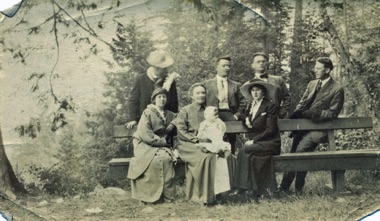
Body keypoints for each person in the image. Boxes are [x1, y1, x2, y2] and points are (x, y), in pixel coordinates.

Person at [279, 57, 345, 193]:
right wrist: (297, 118)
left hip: (319, 129)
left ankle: (297, 188)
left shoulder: (337, 89)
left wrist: (313, 114)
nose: (314, 70)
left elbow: (332, 114)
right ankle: (284, 188)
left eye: (318, 68)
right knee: (293, 154)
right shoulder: (312, 84)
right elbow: (301, 103)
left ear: (327, 70)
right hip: (303, 126)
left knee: (300, 152)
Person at [177, 83, 234, 205]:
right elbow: (181, 131)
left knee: (219, 156)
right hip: (188, 144)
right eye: (197, 93)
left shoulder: (209, 111)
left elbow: (219, 128)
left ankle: (219, 193)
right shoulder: (185, 110)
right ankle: (204, 196)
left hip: (208, 143)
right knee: (207, 157)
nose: (201, 95)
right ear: (192, 96)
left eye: (203, 92)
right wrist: (197, 140)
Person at [233, 79, 281, 202]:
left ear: (263, 92)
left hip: (270, 142)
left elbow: (271, 129)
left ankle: (241, 187)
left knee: (245, 150)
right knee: (249, 155)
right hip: (259, 143)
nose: (255, 92)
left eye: (258, 90)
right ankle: (247, 188)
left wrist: (254, 140)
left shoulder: (270, 106)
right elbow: (246, 118)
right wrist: (246, 120)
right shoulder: (250, 105)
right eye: (253, 90)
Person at [127, 88, 177, 203]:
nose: (162, 99)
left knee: (166, 159)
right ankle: (148, 195)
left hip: (158, 144)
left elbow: (180, 116)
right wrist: (163, 142)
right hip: (144, 143)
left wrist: (173, 122)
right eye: (159, 97)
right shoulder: (147, 112)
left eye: (164, 97)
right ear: (154, 100)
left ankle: (166, 195)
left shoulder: (168, 114)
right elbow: (145, 133)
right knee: (153, 161)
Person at [125, 50, 179, 129]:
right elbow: (133, 100)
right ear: (156, 67)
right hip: (145, 120)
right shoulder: (141, 78)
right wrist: (133, 119)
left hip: (165, 122)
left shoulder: (169, 80)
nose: (166, 70)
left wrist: (173, 121)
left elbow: (174, 102)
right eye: (164, 68)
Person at [203, 56, 245, 154]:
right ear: (216, 67)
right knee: (213, 145)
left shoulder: (236, 85)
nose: (227, 68)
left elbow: (244, 102)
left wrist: (236, 116)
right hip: (213, 118)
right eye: (224, 65)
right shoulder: (206, 84)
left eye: (229, 66)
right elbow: (201, 102)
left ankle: (231, 166)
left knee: (230, 147)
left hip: (230, 116)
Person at [196, 106, 232, 195]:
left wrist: (219, 122)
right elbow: (199, 137)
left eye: (217, 114)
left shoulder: (219, 122)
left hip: (218, 143)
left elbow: (222, 131)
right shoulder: (204, 124)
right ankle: (212, 190)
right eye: (213, 114)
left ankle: (222, 190)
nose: (216, 115)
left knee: (222, 162)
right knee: (213, 159)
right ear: (206, 115)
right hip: (209, 143)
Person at [248, 52, 291, 119]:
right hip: (258, 120)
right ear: (252, 65)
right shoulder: (249, 84)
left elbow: (287, 97)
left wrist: (282, 112)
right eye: (258, 62)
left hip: (276, 117)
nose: (261, 63)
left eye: (263, 61)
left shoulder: (278, 80)